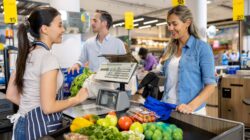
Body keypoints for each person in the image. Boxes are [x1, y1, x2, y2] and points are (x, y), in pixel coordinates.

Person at [6, 7, 89, 140]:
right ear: (44, 29)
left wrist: (30, 107)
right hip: (37, 130)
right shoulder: (48, 58)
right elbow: (48, 107)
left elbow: (10, 94)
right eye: (60, 25)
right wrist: (77, 99)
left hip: (21, 125)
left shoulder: (26, 54)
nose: (63, 30)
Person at [160, 5, 216, 115]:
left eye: (174, 24)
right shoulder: (168, 49)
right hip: (167, 107)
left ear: (187, 23)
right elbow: (168, 77)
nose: (170, 28)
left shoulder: (202, 48)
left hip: (191, 111)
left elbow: (210, 85)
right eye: (169, 24)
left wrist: (190, 107)